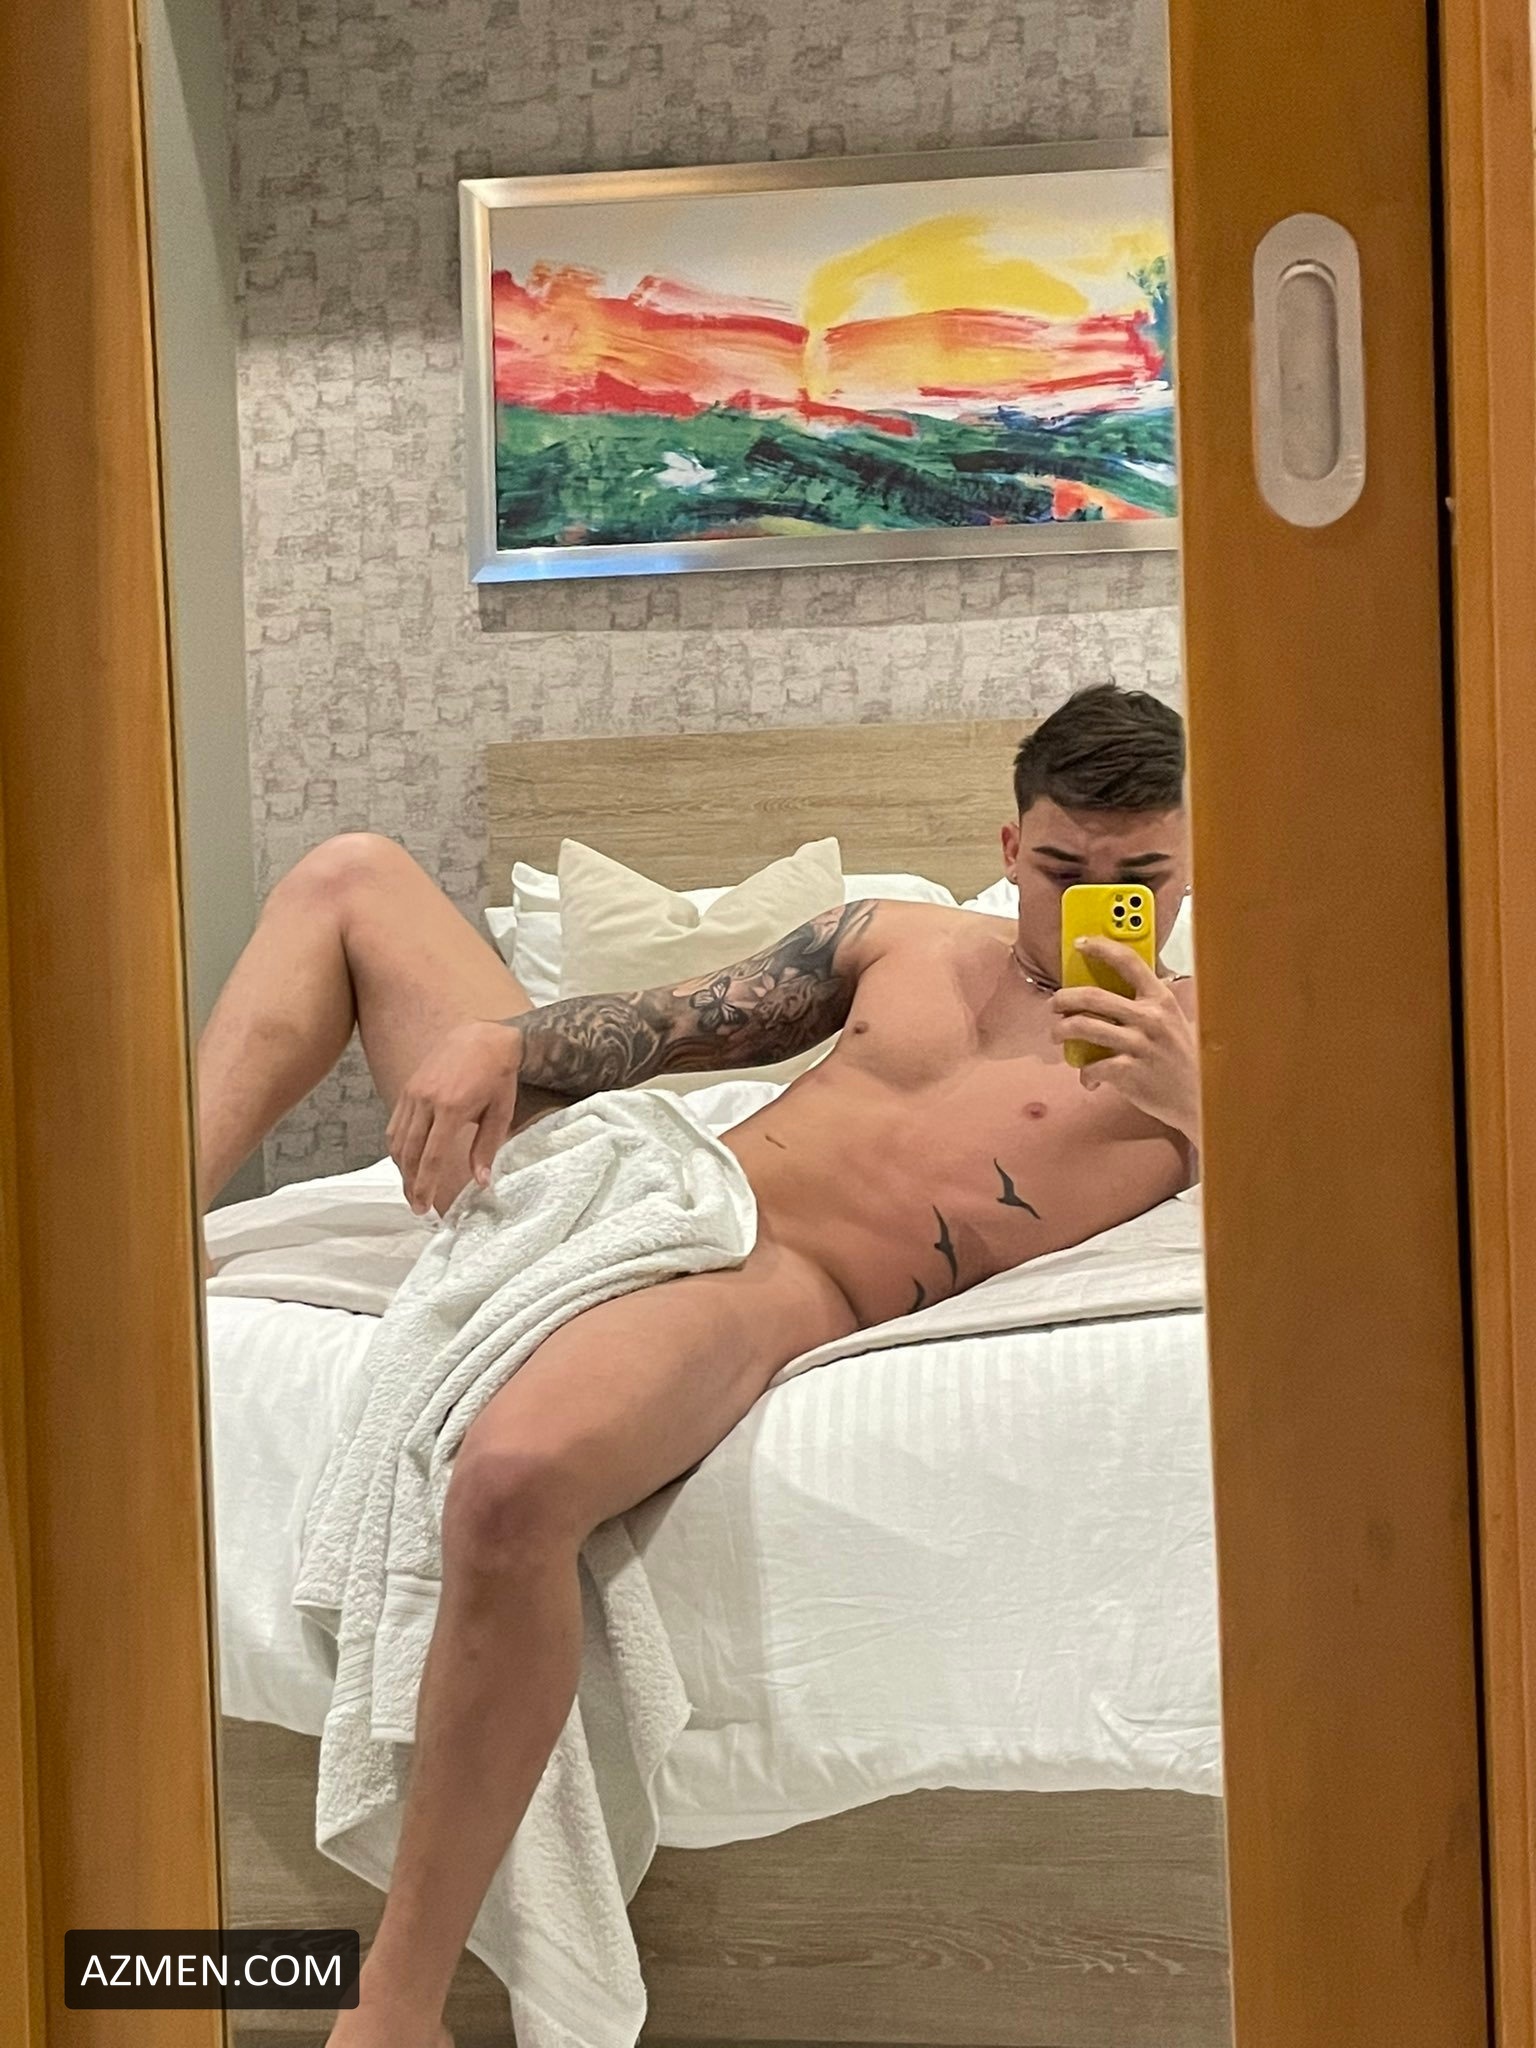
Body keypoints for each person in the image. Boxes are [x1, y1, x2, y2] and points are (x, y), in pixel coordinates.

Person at [196, 681, 1199, 2048]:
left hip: (767, 1268)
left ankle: (394, 2007)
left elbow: (1366, 1249)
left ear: (1187, 861)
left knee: (511, 1482)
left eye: (1139, 879)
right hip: (641, 1169)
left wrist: (1206, 1108)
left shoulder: (1218, 1040)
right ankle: (126, 1250)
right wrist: (504, 1041)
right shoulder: (899, 937)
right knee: (351, 875)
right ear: (1011, 845)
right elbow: (669, 1027)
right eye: (1063, 870)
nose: (1092, 905)